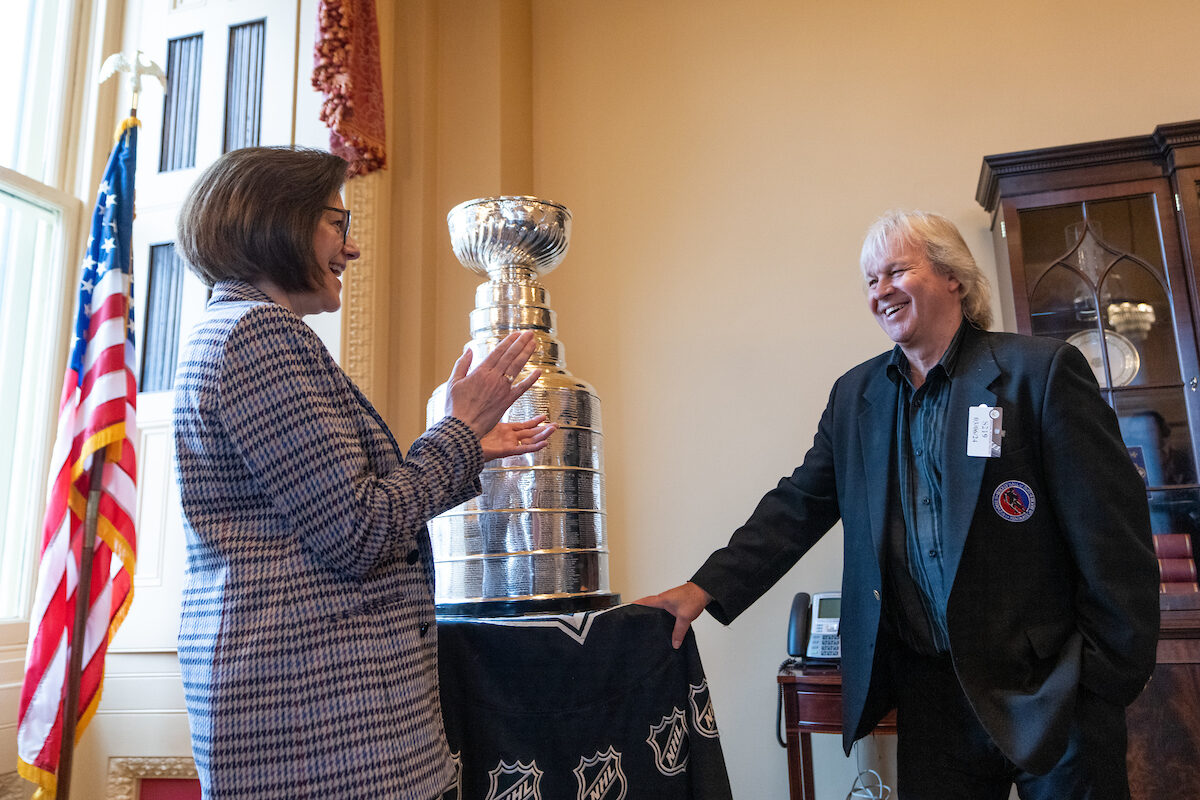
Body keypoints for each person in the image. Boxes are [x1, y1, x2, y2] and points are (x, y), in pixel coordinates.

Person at [640, 210, 1159, 799]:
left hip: (1050, 687)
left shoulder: (1037, 374)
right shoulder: (856, 397)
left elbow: (1113, 535)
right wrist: (703, 588)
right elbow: (798, 505)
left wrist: (1103, 680)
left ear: (952, 277)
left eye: (895, 271)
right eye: (869, 280)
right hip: (933, 692)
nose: (880, 291)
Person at [172, 146, 555, 799]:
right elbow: (361, 531)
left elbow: (335, 511)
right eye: (336, 224)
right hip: (328, 735)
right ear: (276, 223)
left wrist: (461, 443)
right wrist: (457, 433)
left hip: (316, 725)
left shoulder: (233, 329)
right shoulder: (257, 335)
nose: (350, 249)